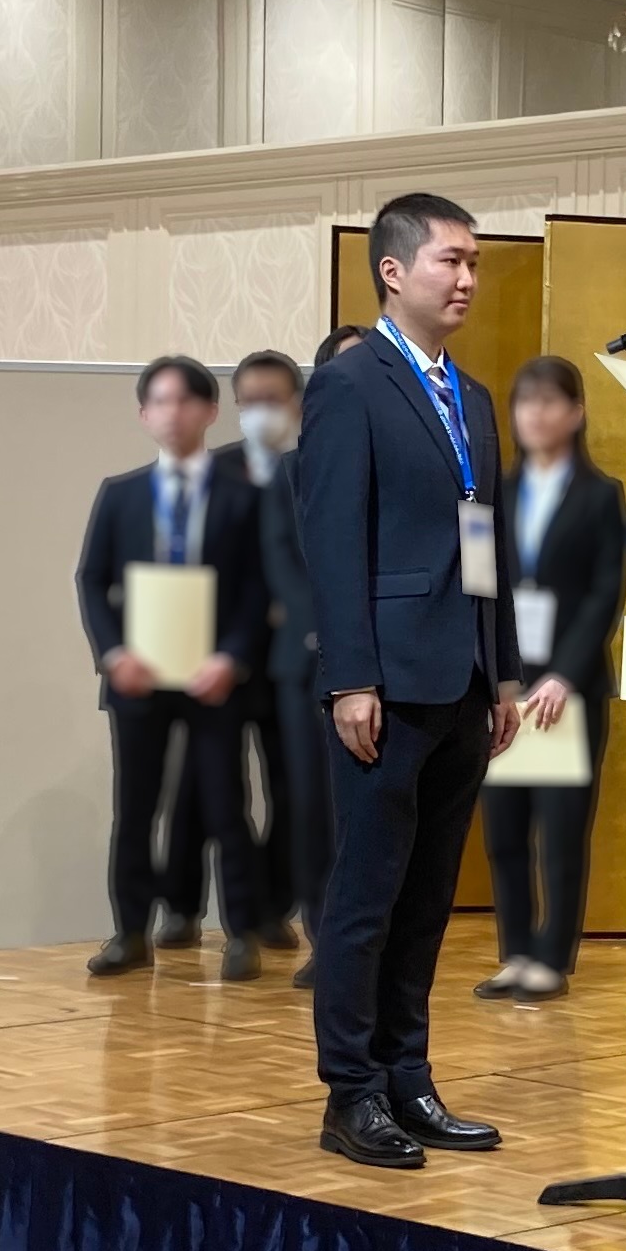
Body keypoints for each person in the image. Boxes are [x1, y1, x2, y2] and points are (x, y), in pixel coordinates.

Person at [299, 194, 523, 1169]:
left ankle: (408, 1075)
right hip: (386, 682)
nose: (467, 278)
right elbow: (332, 536)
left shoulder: (470, 396)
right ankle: (351, 1093)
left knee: (429, 898)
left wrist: (504, 668)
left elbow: (488, 545)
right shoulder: (354, 384)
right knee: (368, 897)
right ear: (394, 271)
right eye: (450, 261)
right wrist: (351, 675)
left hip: (464, 678)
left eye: (475, 263)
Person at [77, 356, 268, 981]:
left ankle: (241, 933)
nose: (173, 412)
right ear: (143, 415)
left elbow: (256, 589)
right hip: (138, 677)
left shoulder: (242, 497)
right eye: (160, 402)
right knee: (134, 808)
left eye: (187, 401)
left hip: (212, 679)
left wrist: (231, 657)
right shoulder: (120, 492)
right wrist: (113, 652)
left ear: (211, 413)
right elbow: (92, 580)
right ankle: (130, 932)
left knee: (225, 803)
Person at [474, 358, 626, 1004]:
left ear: (576, 411)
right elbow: (481, 588)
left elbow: (603, 593)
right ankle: (514, 952)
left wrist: (563, 673)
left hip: (569, 688)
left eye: (549, 400)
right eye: (523, 401)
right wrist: (496, 676)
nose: (534, 413)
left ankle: (551, 956)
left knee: (562, 829)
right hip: (505, 687)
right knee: (504, 827)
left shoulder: (600, 494)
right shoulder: (491, 494)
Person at [159, 349, 304, 954]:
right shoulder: (211, 471)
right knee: (200, 788)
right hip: (215, 658)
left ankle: (270, 908)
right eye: (250, 402)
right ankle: (182, 910)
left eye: (275, 400)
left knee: (291, 791)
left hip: (287, 660)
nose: (262, 413)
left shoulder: (310, 471)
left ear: (296, 403)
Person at [264, 326, 366, 988]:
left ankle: (363, 945)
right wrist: (327, 632)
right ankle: (321, 936)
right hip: (307, 662)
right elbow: (282, 563)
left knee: (366, 816)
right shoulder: (288, 469)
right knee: (309, 809)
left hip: (379, 668)